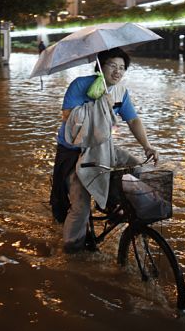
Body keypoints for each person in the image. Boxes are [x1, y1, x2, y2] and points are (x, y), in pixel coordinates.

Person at [50, 47, 159, 253]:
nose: (117, 72)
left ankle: (113, 207)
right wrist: (98, 104)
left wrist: (147, 146)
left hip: (103, 147)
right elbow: (68, 116)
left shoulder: (120, 92)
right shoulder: (80, 85)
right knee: (81, 207)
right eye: (112, 66)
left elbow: (133, 119)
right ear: (100, 67)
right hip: (75, 150)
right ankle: (72, 250)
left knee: (136, 170)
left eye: (122, 68)